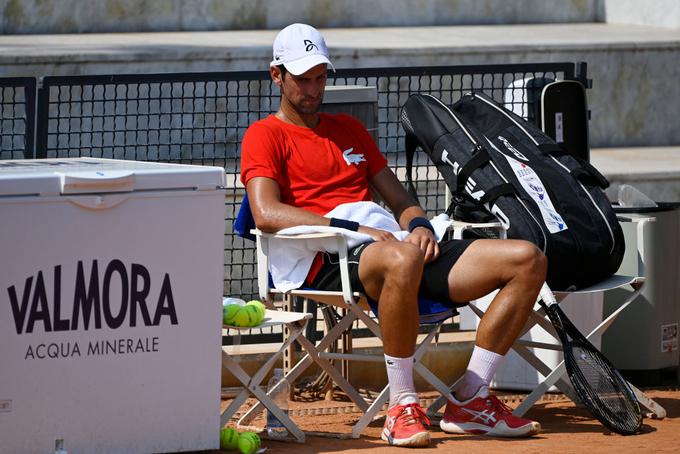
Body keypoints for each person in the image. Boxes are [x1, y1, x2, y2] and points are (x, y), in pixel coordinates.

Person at [240, 23, 547, 448]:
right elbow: (266, 212)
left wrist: (419, 226)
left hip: (387, 247)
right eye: (302, 78)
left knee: (527, 258)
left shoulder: (350, 128)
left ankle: (472, 400)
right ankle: (401, 406)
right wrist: (354, 229)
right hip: (324, 256)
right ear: (277, 75)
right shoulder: (263, 134)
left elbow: (401, 200)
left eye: (320, 77)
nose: (313, 89)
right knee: (402, 258)